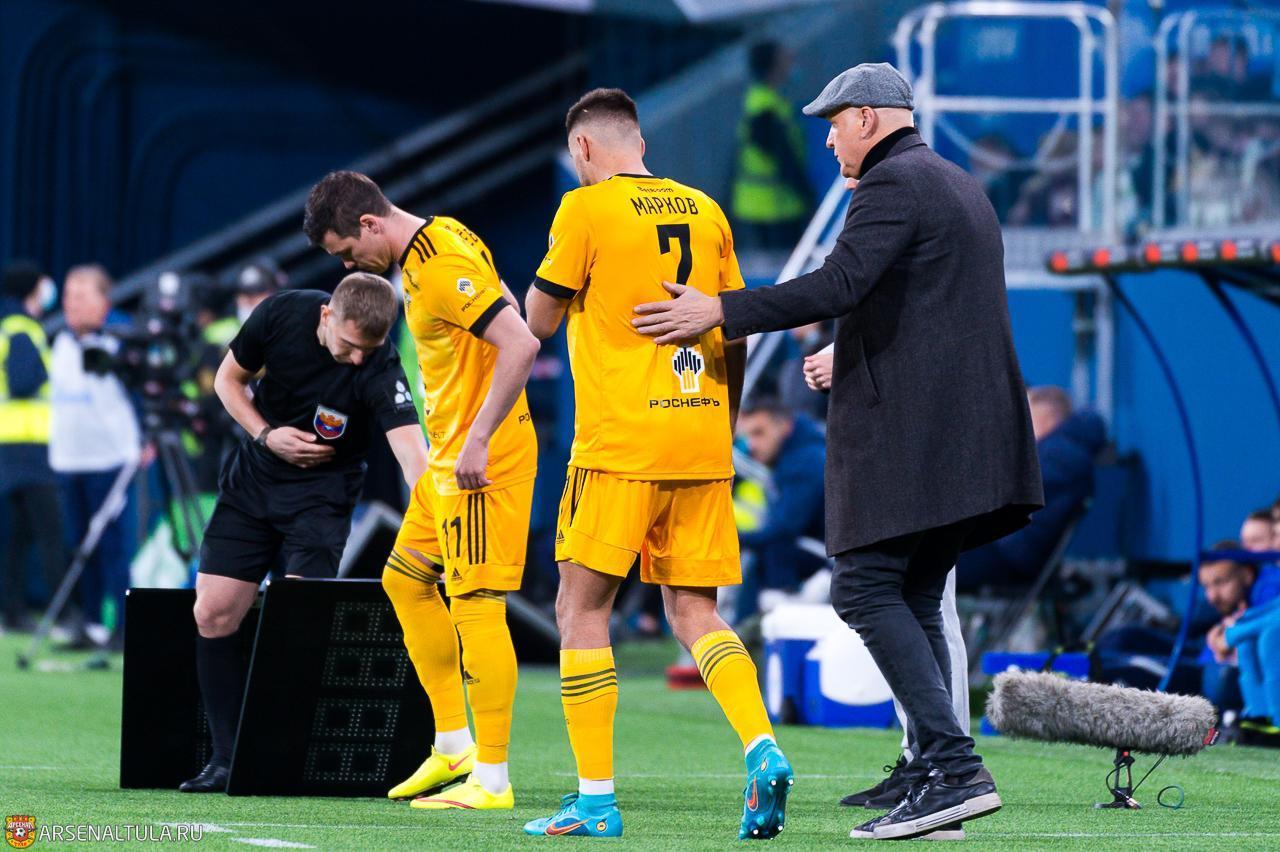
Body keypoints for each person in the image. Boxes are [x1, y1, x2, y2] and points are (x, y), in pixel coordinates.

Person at [632, 63, 1043, 841]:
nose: (826, 140)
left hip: (918, 436)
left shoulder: (893, 183)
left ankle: (953, 767)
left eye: (832, 122)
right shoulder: (955, 181)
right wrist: (846, 350)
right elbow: (921, 305)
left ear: (866, 118)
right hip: (967, 434)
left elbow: (838, 282)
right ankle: (931, 768)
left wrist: (720, 311)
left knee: (864, 586)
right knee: (914, 594)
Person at [523, 87, 793, 840]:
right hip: (701, 436)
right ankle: (762, 746)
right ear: (639, 141)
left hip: (620, 443)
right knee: (695, 613)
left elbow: (537, 320)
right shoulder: (706, 210)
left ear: (583, 149)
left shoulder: (585, 209)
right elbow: (735, 326)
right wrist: (724, 423)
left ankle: (596, 803)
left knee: (581, 610)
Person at [304, 170, 540, 810]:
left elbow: (522, 341)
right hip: (450, 460)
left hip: (480, 462)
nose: (348, 265)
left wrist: (479, 437)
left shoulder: (437, 267)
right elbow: (507, 305)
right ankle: (454, 744)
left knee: (477, 605)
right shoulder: (443, 238)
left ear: (369, 224)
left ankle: (492, 778)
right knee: (405, 581)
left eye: (347, 251)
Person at [181, 273, 426, 793]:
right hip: (252, 483)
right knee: (213, 612)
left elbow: (413, 457)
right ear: (326, 316)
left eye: (368, 349)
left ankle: (282, 757)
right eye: (350, 345)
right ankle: (224, 760)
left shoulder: (379, 363)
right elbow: (228, 381)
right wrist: (266, 435)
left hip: (323, 496)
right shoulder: (280, 314)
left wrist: (437, 525)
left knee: (297, 621)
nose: (357, 359)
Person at [49, 264, 144, 648]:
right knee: (77, 544)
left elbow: (140, 394)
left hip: (111, 460)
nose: (71, 304)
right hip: (69, 461)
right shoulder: (60, 342)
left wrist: (143, 441)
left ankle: (122, 625)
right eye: (68, 295)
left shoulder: (121, 341)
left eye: (81, 296)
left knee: (111, 546)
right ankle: (89, 625)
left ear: (104, 301)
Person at [955, 386, 1104, 590]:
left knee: (927, 559)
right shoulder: (1060, 454)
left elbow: (1010, 502)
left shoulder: (1059, 456)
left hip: (1008, 553)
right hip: (1007, 548)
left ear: (1046, 418)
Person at [0, 261, 65, 632]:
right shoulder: (23, 329)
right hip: (29, 444)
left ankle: (12, 611)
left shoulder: (10, 326)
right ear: (32, 288)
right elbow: (23, 382)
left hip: (12, 443)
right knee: (51, 533)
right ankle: (63, 615)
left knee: (18, 535)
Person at [734, 397, 825, 621]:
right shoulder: (796, 455)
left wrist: (733, 539)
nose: (751, 445)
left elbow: (785, 528)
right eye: (747, 436)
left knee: (770, 547)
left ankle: (754, 624)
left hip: (830, 560)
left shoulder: (806, 461)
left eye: (759, 433)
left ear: (784, 426)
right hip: (818, 551)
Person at [731, 41, 813, 251]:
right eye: (785, 59)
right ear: (773, 66)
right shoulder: (765, 109)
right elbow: (784, 159)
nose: (791, 63)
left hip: (767, 207)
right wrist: (808, 196)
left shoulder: (764, 101)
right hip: (771, 211)